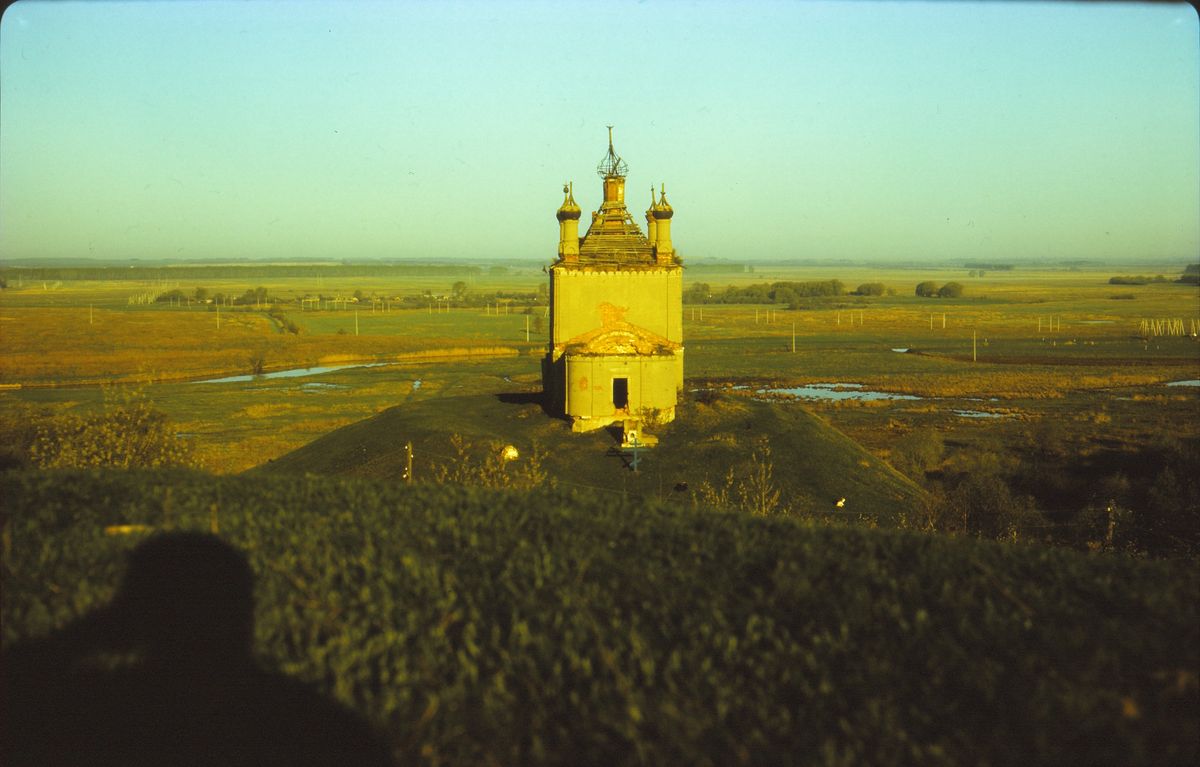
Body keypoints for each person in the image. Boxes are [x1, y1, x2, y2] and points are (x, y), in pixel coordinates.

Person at [2, 532, 394, 766]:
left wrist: (91, 632)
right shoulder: (315, 726)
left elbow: (16, 684)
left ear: (137, 618)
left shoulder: (99, 713)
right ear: (244, 614)